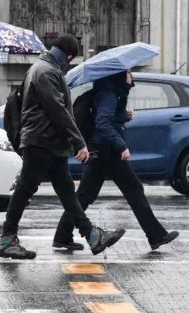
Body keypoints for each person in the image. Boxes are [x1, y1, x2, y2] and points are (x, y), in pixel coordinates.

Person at [0, 34, 126, 259]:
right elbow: (57, 110)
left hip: (50, 143)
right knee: (25, 189)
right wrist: (79, 142)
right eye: (70, 59)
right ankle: (7, 238)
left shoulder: (44, 68)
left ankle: (91, 234)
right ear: (68, 56)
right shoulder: (46, 71)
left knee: (66, 192)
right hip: (41, 141)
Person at [53, 70, 179, 251]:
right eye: (128, 72)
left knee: (85, 195)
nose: (131, 75)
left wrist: (125, 116)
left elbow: (108, 116)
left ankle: (63, 235)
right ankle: (156, 235)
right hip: (107, 150)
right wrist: (121, 145)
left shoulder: (112, 91)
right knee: (134, 190)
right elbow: (103, 122)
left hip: (101, 149)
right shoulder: (109, 94)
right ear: (119, 75)